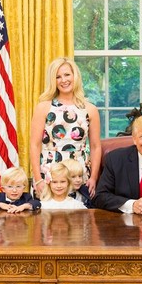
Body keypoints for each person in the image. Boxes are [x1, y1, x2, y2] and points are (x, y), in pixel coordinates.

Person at [30, 57, 101, 199]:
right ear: (53, 81)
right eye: (58, 77)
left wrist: (93, 178)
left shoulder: (90, 109)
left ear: (75, 76)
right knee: (47, 220)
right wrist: (38, 178)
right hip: (49, 173)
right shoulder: (44, 107)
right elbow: (35, 144)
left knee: (79, 219)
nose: (63, 80)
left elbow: (95, 146)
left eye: (67, 74)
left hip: (79, 176)